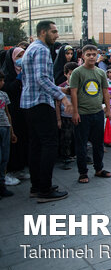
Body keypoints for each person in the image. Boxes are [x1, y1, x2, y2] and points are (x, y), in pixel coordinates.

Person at [21, 21, 71, 203]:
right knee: (49, 144)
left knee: (36, 146)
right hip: (41, 103)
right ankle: (45, 189)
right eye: (54, 31)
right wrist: (62, 97)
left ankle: (37, 186)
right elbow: (41, 78)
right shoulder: (41, 49)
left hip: (29, 104)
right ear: (43, 32)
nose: (57, 35)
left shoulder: (32, 48)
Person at [69, 44, 111, 184]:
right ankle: (82, 173)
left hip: (98, 113)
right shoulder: (77, 72)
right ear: (83, 56)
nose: (92, 57)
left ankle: (99, 169)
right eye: (88, 54)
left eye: (94, 54)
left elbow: (105, 91)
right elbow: (73, 92)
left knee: (98, 144)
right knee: (81, 145)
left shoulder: (100, 73)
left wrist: (108, 110)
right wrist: (75, 112)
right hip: (82, 114)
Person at [2, 47, 29, 185]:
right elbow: (9, 89)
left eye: (24, 54)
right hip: (11, 112)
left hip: (23, 109)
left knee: (23, 138)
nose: (22, 58)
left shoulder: (26, 71)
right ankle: (9, 171)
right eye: (19, 55)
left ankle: (19, 167)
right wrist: (19, 79)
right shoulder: (7, 74)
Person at [56, 62, 78, 168]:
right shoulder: (62, 87)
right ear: (65, 74)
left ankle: (77, 154)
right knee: (66, 138)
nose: (72, 76)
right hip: (65, 116)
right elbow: (58, 103)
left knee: (78, 136)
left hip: (77, 115)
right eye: (70, 74)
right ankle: (65, 157)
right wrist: (58, 119)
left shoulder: (79, 85)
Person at [0, 71, 17, 198]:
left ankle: (2, 185)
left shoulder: (4, 95)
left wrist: (12, 131)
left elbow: (7, 113)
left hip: (5, 127)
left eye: (2, 80)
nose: (2, 83)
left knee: (5, 157)